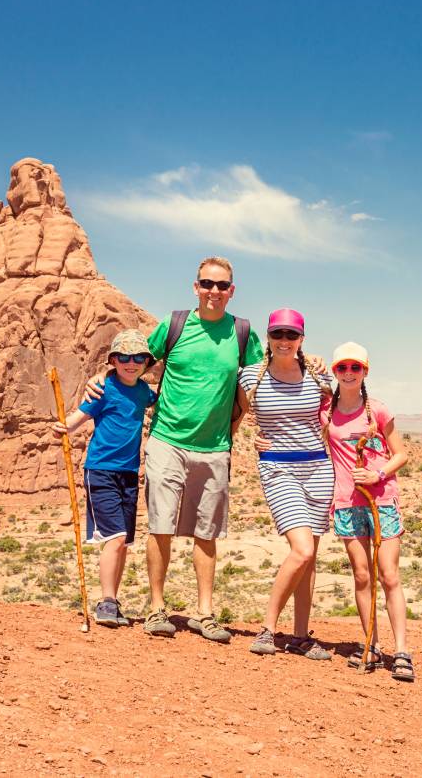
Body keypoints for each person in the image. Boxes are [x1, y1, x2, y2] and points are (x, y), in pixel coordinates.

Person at [85, 257, 268, 642]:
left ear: (231, 290)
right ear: (195, 286)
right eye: (207, 283)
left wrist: (309, 367)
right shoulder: (175, 325)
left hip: (215, 446)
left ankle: (204, 612)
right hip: (167, 440)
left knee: (207, 532)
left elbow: (258, 383)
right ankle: (156, 608)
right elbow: (134, 361)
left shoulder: (242, 333)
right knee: (161, 525)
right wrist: (100, 377)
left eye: (222, 285)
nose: (214, 291)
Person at [237, 309, 334, 659]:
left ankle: (300, 635)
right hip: (278, 470)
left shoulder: (319, 377)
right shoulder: (250, 378)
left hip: (319, 469)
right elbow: (238, 415)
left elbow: (336, 417)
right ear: (268, 337)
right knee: (302, 549)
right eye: (278, 334)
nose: (284, 341)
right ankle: (268, 629)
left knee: (310, 558)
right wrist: (254, 438)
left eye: (291, 335)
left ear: (302, 339)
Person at [321, 342, 415, 681]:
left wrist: (377, 474)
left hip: (382, 500)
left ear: (365, 371)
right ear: (335, 372)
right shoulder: (326, 411)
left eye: (355, 368)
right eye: (342, 368)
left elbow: (401, 454)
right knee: (361, 574)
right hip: (347, 502)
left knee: (388, 574)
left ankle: (402, 650)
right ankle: (370, 644)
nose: (348, 373)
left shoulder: (377, 410)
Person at [51, 329, 156, 627]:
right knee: (116, 537)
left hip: (128, 474)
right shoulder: (103, 389)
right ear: (113, 360)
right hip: (101, 470)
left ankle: (113, 600)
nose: (131, 363)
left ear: (146, 362)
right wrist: (63, 427)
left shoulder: (143, 392)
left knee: (123, 542)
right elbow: (79, 417)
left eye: (138, 358)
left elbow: (158, 399)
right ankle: (106, 601)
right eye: (124, 357)